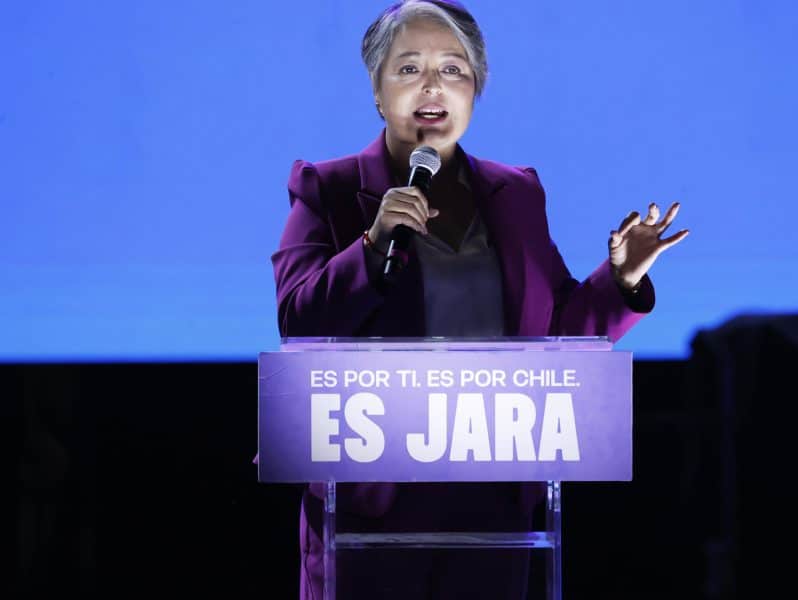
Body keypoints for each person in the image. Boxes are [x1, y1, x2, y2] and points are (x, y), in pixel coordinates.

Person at [270, 1, 690, 598]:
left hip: (492, 501)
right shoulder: (330, 188)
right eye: (409, 69)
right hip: (372, 506)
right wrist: (371, 244)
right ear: (378, 91)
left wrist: (620, 280)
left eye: (454, 70)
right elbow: (297, 318)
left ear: (476, 90)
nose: (433, 86)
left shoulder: (515, 193)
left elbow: (557, 331)